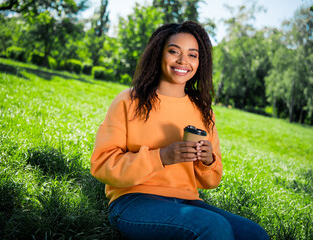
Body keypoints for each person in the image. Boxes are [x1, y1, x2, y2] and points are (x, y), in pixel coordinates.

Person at [90, 21, 269, 240]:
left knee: (255, 234)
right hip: (133, 200)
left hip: (187, 200)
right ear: (159, 54)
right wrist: (161, 157)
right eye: (174, 51)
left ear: (199, 62)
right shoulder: (129, 100)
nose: (183, 61)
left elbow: (211, 181)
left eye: (192, 55)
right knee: (213, 227)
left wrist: (207, 161)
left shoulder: (203, 111)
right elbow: (102, 165)